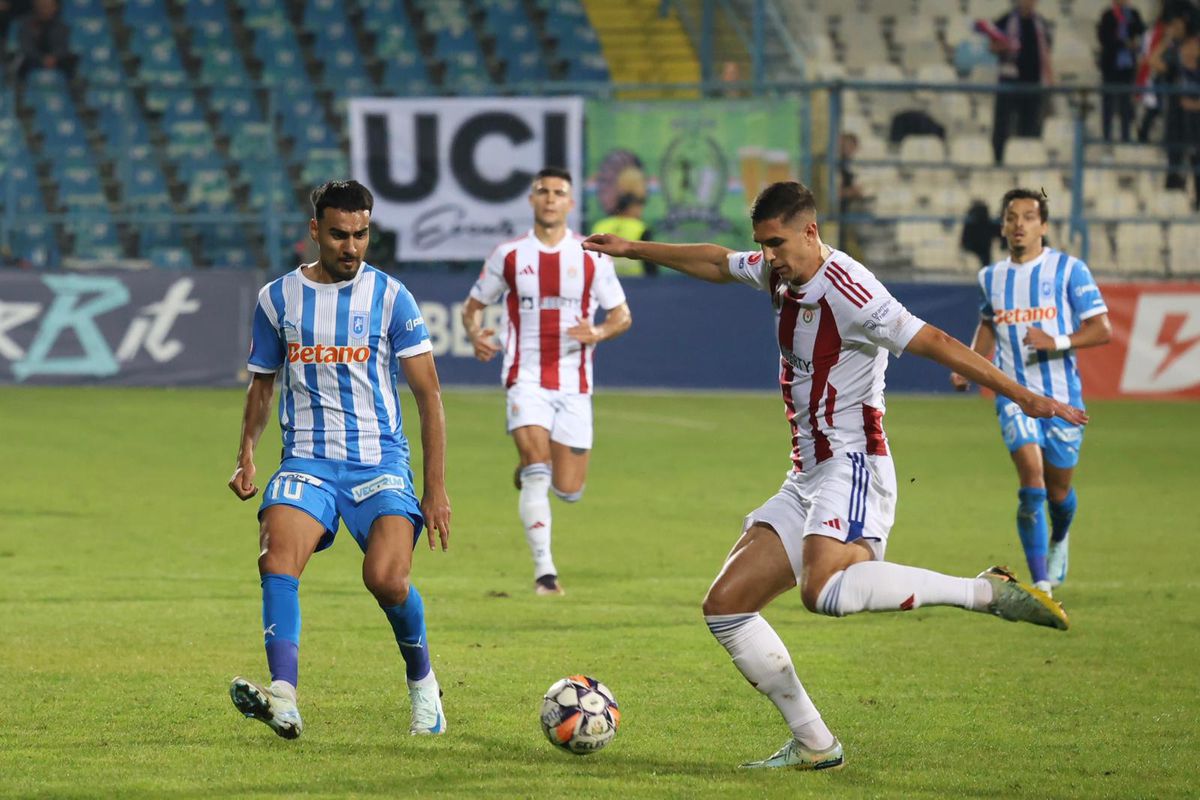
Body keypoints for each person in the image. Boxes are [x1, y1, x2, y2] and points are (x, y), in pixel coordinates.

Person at [582, 181, 1078, 771]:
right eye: (762, 245)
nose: (767, 257)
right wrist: (634, 251)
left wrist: (1022, 395)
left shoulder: (850, 288)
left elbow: (937, 340)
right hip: (808, 472)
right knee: (727, 606)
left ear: (810, 232)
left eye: (777, 243)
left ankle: (983, 591)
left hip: (855, 462)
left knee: (824, 592)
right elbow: (717, 261)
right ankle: (816, 743)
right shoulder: (780, 272)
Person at [226, 180, 452, 739]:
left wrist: (435, 489)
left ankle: (424, 685)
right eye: (339, 234)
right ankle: (283, 695)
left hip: (379, 464)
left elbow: (430, 396)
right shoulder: (276, 299)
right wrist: (247, 456)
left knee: (387, 580)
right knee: (277, 559)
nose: (352, 246)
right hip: (307, 460)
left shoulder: (391, 296)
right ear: (314, 232)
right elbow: (262, 387)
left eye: (361, 234)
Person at [462, 167, 632, 596]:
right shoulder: (510, 255)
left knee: (568, 489)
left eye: (559, 193)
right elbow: (473, 305)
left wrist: (598, 333)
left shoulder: (593, 256)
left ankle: (529, 467)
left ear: (571, 203)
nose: (551, 199)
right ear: (532, 201)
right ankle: (545, 575)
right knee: (539, 471)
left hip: (575, 384)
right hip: (526, 378)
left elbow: (621, 316)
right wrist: (475, 334)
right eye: (543, 192)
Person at [951, 188, 1111, 595]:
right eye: (1011, 217)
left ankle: (1059, 539)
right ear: (1003, 226)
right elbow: (989, 324)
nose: (1019, 224)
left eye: (1028, 216)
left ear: (1043, 225)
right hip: (1014, 397)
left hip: (1062, 400)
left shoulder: (1069, 270)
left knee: (1058, 492)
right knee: (1033, 482)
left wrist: (1055, 340)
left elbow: (1101, 329)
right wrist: (968, 363)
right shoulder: (991, 277)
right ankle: (1041, 582)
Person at [984, 0, 1054, 164]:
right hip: (1008, 83)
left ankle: (1027, 162)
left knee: (1030, 127)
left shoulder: (1041, 23)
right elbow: (992, 47)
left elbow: (1046, 52)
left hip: (1033, 85)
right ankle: (998, 161)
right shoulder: (1005, 20)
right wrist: (1004, 45)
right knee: (1002, 126)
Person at [1098, 2, 1147, 143]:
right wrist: (1123, 43)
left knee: (1126, 104)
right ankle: (1106, 137)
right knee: (1108, 104)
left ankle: (1126, 137)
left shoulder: (1133, 14)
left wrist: (1135, 44)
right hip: (1110, 67)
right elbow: (1103, 38)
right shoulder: (1108, 15)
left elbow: (1142, 32)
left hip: (1127, 67)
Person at [590, 192, 658, 277]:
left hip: (603, 277)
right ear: (630, 208)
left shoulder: (600, 225)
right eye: (638, 207)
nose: (640, 211)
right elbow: (649, 258)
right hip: (636, 281)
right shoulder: (640, 227)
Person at [14, 0, 75, 81]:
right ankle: (19, 89)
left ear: (55, 7)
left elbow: (64, 46)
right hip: (33, 59)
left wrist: (54, 57)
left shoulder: (62, 26)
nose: (45, 9)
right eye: (42, 6)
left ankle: (74, 88)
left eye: (48, 6)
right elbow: (26, 46)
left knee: (70, 62)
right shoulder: (26, 24)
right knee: (20, 61)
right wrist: (41, 58)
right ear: (36, 7)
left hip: (56, 59)